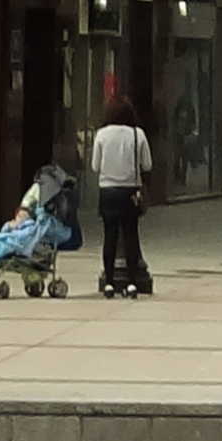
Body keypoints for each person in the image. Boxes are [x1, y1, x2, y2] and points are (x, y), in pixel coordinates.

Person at [89, 100, 154, 297]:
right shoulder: (138, 134)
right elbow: (147, 165)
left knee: (110, 236)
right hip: (130, 191)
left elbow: (95, 165)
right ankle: (132, 282)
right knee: (130, 235)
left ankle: (109, 282)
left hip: (108, 191)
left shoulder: (101, 134)